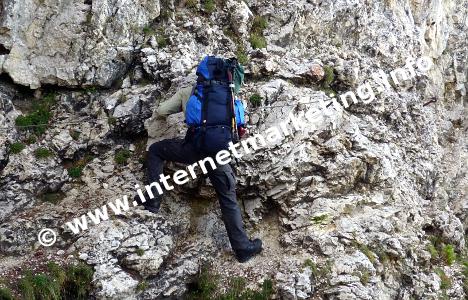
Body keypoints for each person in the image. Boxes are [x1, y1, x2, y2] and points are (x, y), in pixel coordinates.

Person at [137, 56, 262, 263]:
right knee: (227, 198)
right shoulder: (228, 94)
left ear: (200, 74)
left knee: (157, 150)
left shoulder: (189, 92)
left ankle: (153, 199)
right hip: (219, 154)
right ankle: (242, 248)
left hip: (194, 149)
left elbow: (161, 110)